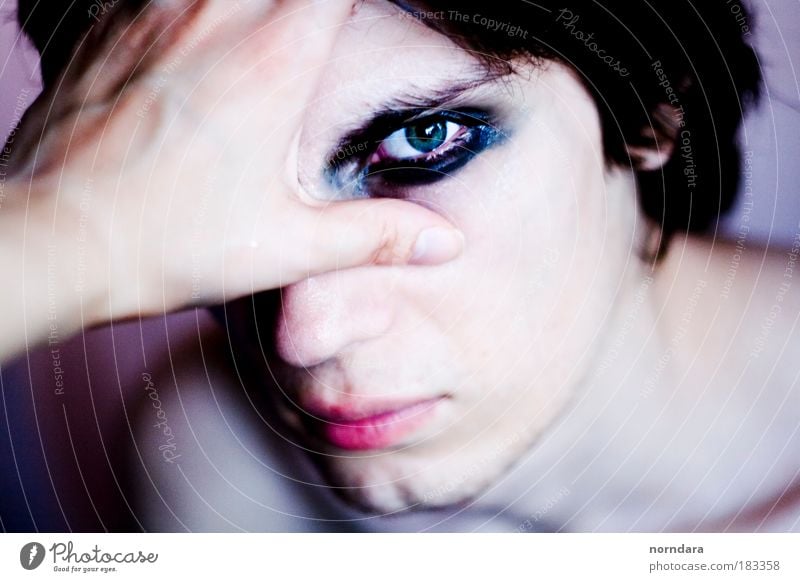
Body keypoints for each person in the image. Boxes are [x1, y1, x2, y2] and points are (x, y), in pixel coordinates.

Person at [8, 0, 800, 532]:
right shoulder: (218, 460)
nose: (304, 334)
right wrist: (64, 234)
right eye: (210, 190)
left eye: (424, 143)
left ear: (655, 100)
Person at [0, 0, 464, 362]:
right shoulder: (187, 440)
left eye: (423, 138)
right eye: (203, 183)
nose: (304, 339)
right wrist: (59, 226)